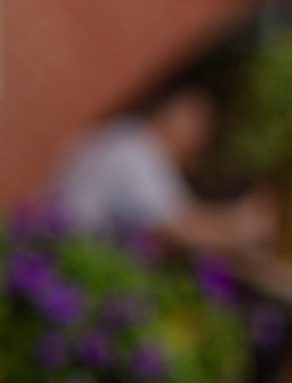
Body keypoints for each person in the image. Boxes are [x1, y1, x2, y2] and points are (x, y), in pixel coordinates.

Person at [51, 80, 275, 255]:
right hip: (62, 261)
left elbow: (181, 215)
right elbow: (177, 227)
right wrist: (239, 229)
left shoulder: (131, 139)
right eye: (197, 122)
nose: (201, 137)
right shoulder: (136, 151)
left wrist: (233, 224)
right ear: (173, 113)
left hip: (66, 254)